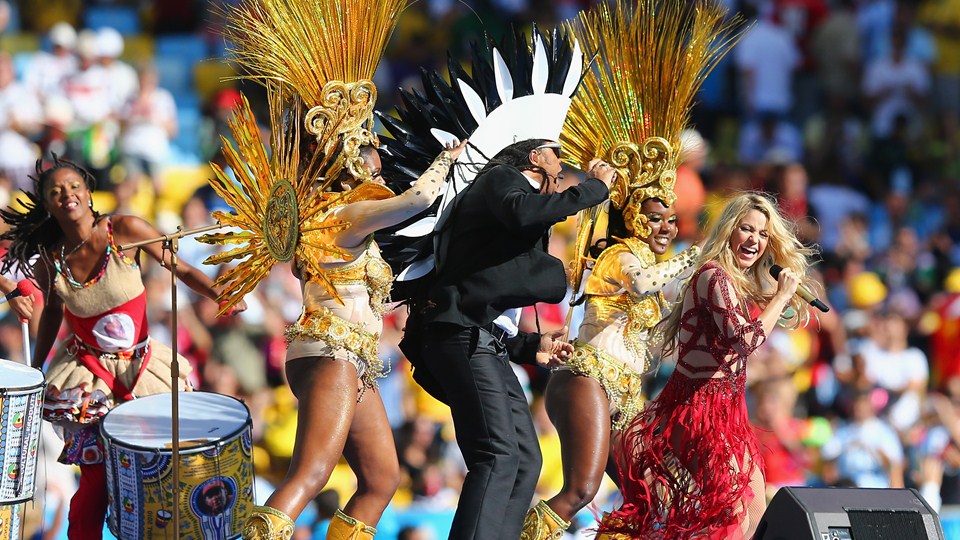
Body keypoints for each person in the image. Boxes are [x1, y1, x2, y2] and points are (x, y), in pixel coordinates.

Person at [524, 1, 740, 535]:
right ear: (633, 218)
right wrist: (699, 252)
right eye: (657, 218)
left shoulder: (659, 261)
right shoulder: (618, 255)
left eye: (673, 219)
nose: (667, 227)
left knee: (650, 496)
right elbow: (645, 284)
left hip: (624, 391)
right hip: (586, 381)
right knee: (581, 490)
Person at [0, 155, 246, 540]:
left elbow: (180, 269)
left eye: (74, 187)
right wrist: (36, 368)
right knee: (94, 487)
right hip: (88, 379)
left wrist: (222, 295)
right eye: (56, 192)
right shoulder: (51, 257)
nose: (67, 195)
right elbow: (51, 311)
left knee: (164, 475)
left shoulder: (126, 229)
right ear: (47, 203)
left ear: (88, 191)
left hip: (144, 371)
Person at [404, 139, 612, 539]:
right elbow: (522, 212)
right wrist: (592, 189)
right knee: (497, 455)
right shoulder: (500, 179)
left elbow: (486, 300)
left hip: (480, 343)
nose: (562, 168)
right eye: (557, 158)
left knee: (525, 460)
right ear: (535, 157)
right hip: (459, 337)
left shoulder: (506, 218)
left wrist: (529, 347)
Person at [597, 193, 816, 539]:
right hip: (698, 411)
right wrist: (781, 297)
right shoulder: (713, 276)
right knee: (731, 511)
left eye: (762, 234)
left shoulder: (734, 282)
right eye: (747, 229)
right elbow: (746, 341)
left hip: (729, 412)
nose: (755, 241)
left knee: (755, 511)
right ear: (729, 230)